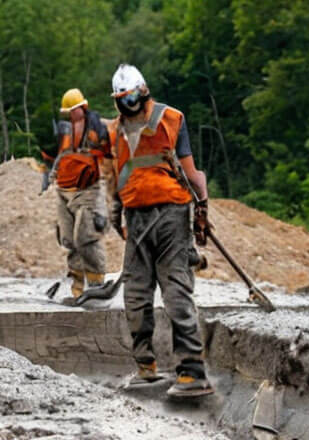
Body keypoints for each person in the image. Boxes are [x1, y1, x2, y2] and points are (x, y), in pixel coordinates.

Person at [107, 64, 214, 398]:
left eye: (134, 96)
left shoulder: (171, 119)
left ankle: (192, 372)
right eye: (125, 99)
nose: (131, 104)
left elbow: (191, 171)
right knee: (136, 294)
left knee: (175, 291)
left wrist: (202, 209)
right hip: (135, 216)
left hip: (171, 214)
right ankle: (146, 368)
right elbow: (116, 175)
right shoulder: (113, 133)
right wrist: (115, 210)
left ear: (145, 91)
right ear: (118, 101)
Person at [51, 88, 112, 301]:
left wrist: (104, 205)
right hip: (65, 188)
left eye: (74, 110)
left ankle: (97, 283)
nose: (72, 114)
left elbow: (109, 159)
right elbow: (60, 155)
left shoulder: (97, 128)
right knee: (68, 238)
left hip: (88, 188)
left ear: (82, 107)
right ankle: (75, 286)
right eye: (69, 111)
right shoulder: (66, 131)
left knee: (86, 236)